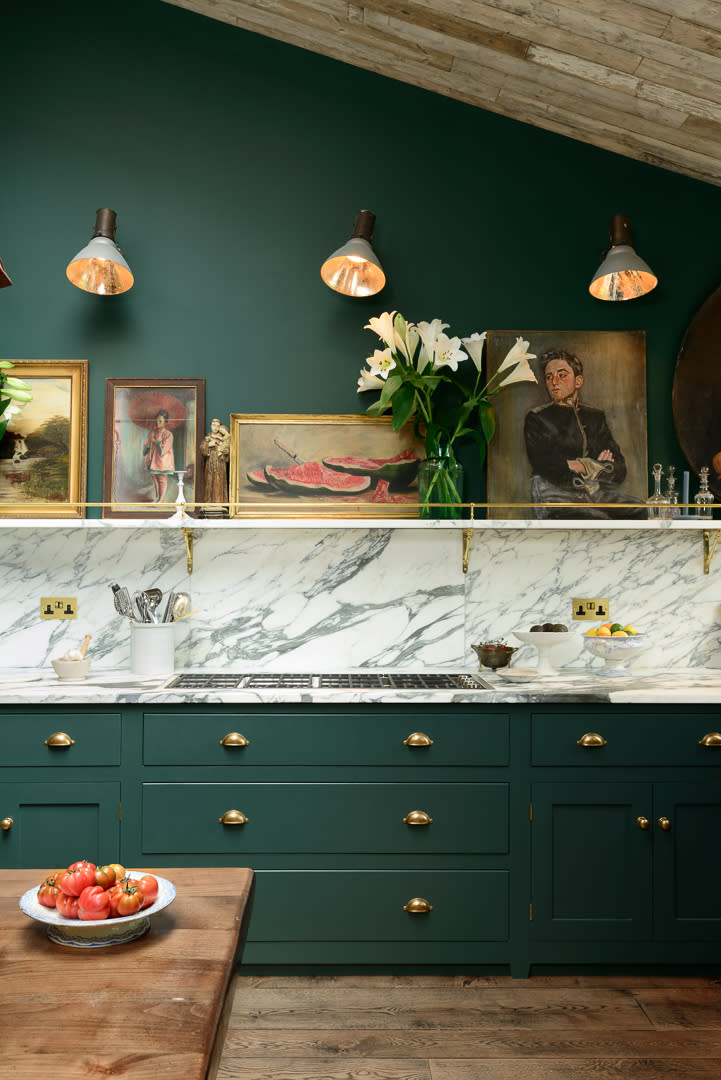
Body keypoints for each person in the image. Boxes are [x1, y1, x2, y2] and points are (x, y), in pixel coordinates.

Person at [523, 348, 645, 519]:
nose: (554, 382)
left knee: (642, 511)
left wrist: (581, 465)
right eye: (549, 377)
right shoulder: (537, 418)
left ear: (578, 381)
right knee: (597, 520)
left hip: (596, 493)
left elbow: (619, 468)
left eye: (562, 375)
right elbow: (544, 463)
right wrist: (593, 464)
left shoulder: (595, 416)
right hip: (554, 495)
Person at [142, 409, 175, 502]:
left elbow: (164, 450)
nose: (158, 422)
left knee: (162, 478)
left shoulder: (168, 434)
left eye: (160, 420)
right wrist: (149, 445)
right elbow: (146, 446)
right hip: (153, 459)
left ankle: (161, 498)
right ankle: (157, 496)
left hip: (163, 461)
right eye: (157, 420)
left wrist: (156, 442)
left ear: (165, 422)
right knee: (154, 476)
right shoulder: (152, 433)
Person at [200, 417, 230, 508]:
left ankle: (219, 503)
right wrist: (209, 445)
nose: (215, 428)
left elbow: (228, 450)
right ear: (210, 426)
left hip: (220, 463)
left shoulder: (223, 439)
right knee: (209, 482)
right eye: (214, 425)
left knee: (219, 481)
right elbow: (202, 448)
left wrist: (224, 451)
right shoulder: (207, 438)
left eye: (218, 426)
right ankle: (208, 503)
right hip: (210, 463)